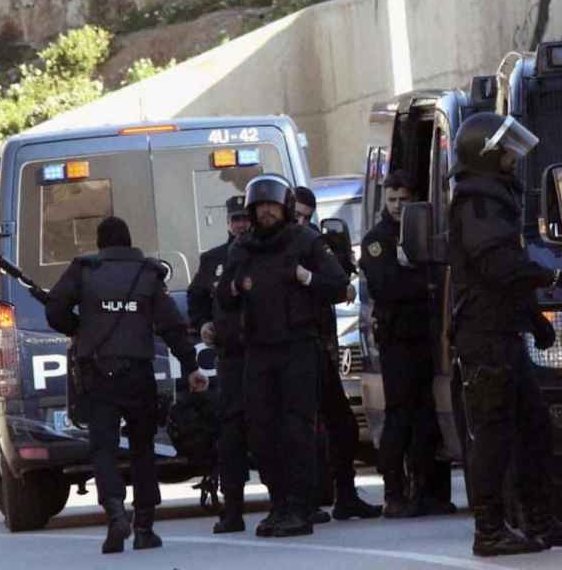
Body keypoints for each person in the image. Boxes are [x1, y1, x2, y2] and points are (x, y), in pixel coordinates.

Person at [447, 112, 562, 557]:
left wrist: (536, 322)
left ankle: (540, 520)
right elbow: (499, 270)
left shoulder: (494, 201)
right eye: (506, 151)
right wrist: (557, 277)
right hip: (485, 335)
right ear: (488, 155)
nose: (514, 158)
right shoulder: (477, 204)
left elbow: (505, 279)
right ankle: (489, 529)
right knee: (493, 433)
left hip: (503, 331)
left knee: (533, 427)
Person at [45, 217, 208, 554]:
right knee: (142, 449)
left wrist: (78, 327)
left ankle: (116, 512)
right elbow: (172, 326)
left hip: (98, 374)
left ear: (101, 244)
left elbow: (55, 308)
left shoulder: (84, 269)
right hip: (138, 374)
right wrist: (191, 366)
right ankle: (145, 526)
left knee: (103, 447)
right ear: (129, 241)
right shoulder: (148, 274)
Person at [217, 174, 349, 538]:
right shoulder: (242, 249)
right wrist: (234, 286)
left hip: (298, 346)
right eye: (260, 208)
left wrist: (307, 278)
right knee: (261, 431)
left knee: (297, 430)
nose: (266, 213)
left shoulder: (305, 241)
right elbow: (224, 298)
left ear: (285, 208)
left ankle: (300, 507)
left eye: (272, 206)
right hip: (258, 350)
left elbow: (339, 286)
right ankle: (278, 504)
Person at [359, 170, 450, 518]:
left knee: (426, 416)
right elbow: (386, 286)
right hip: (397, 340)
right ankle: (394, 491)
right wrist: (424, 285)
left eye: (404, 199)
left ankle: (427, 490)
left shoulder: (421, 233)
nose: (398, 206)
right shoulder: (376, 239)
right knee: (399, 417)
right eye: (392, 199)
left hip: (425, 335)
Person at [292, 185, 383, 523]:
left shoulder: (313, 243)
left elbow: (338, 283)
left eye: (305, 216)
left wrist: (314, 278)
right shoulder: (274, 247)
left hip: (321, 347)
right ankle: (301, 501)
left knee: (342, 425)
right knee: (298, 430)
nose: (300, 221)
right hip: (290, 353)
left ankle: (345, 495)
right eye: (295, 214)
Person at [187, 195, 252, 534]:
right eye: (236, 219)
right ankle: (233, 507)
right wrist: (202, 324)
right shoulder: (213, 260)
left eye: (245, 218)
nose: (241, 224)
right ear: (228, 222)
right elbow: (196, 300)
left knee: (275, 430)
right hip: (231, 358)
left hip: (265, 355)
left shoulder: (262, 252)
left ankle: (292, 501)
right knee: (232, 435)